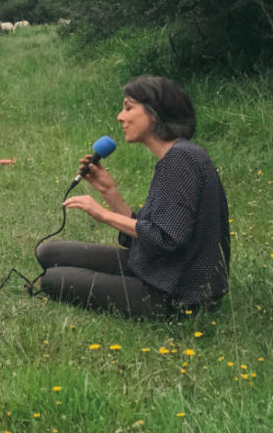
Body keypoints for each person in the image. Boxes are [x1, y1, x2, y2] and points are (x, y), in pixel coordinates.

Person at [35, 76, 230, 318]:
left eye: (128, 107)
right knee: (49, 253)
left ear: (154, 113)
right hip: (158, 267)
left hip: (176, 293)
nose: (120, 116)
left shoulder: (181, 160)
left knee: (52, 279)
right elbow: (148, 233)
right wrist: (109, 192)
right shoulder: (179, 155)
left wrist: (104, 215)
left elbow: (166, 238)